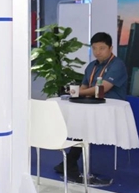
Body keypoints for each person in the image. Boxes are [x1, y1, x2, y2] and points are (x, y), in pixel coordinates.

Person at [54, 32, 128, 180]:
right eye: (94, 48)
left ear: (111, 48)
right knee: (79, 123)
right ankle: (70, 163)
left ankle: (69, 162)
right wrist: (76, 93)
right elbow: (85, 86)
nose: (97, 52)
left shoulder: (117, 65)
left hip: (109, 109)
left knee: (82, 126)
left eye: (102, 48)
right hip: (92, 106)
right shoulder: (91, 66)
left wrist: (76, 92)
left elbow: (102, 88)